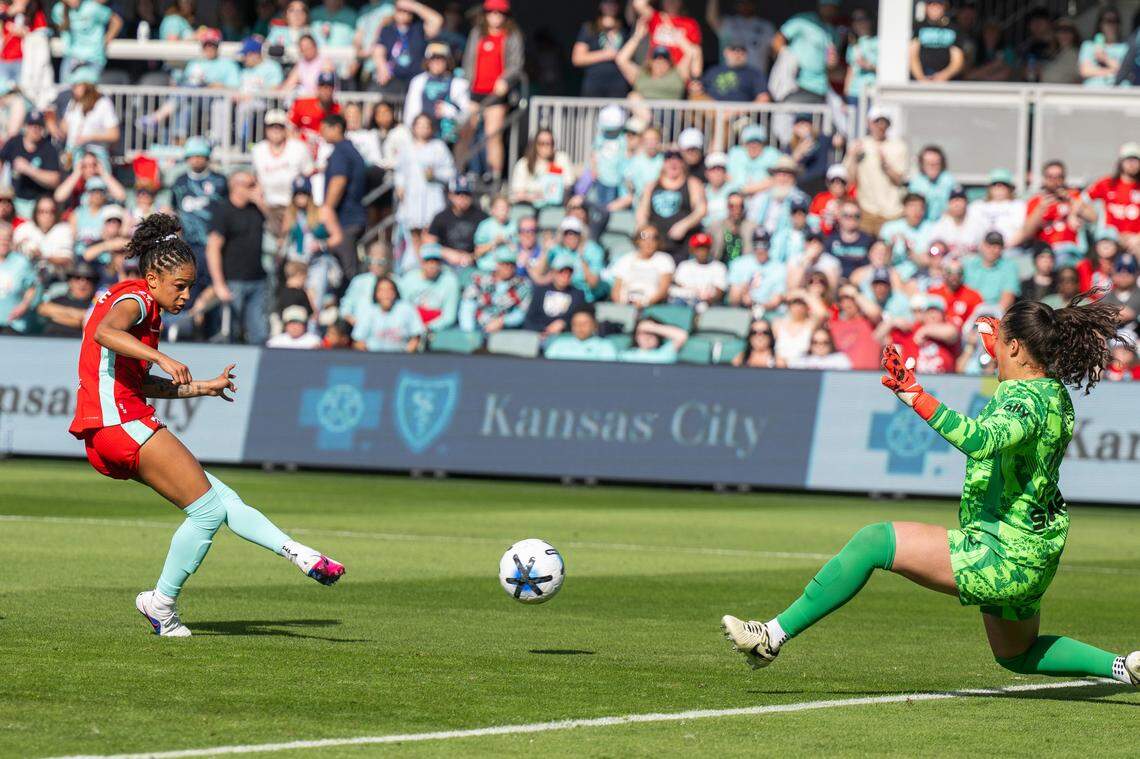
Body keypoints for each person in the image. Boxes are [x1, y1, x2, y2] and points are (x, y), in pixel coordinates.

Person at [721, 298, 1140, 692]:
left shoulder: (1024, 399)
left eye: (1000, 346)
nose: (993, 351)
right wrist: (1002, 346)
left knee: (874, 541)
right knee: (1017, 654)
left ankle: (770, 636)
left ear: (1015, 347)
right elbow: (1020, 377)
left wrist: (915, 397)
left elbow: (983, 440)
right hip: (1034, 551)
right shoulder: (1052, 393)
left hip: (1001, 552)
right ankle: (1125, 666)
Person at [67, 213, 344, 637]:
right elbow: (106, 332)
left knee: (220, 497)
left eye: (191, 285)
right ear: (154, 277)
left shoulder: (138, 303)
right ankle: (161, 603)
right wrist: (161, 356)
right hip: (119, 422)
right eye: (180, 285)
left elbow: (139, 381)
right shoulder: (137, 300)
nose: (186, 294)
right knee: (207, 511)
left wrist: (202, 387)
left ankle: (299, 553)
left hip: (114, 424)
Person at [463, 0, 525, 182]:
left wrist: (505, 80)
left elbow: (516, 64)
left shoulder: (512, 35)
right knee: (466, 131)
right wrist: (465, 85)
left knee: (493, 135)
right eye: (491, 12)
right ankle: (461, 171)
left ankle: (494, 175)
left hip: (497, 93)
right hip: (475, 90)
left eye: (500, 13)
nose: (495, 16)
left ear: (506, 16)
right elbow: (468, 61)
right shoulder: (477, 33)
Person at [206, 171, 270, 345]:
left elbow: (280, 230)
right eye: (250, 185)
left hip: (258, 280)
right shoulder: (223, 210)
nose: (255, 189)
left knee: (260, 334)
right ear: (236, 186)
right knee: (230, 334)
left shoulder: (257, 209)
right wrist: (219, 284)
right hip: (233, 281)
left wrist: (262, 203)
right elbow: (213, 248)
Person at [170, 138, 226, 291]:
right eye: (192, 156)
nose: (196, 160)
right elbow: (174, 212)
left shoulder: (220, 181)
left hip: (215, 245)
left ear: (207, 157)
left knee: (213, 289)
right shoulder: (179, 183)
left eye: (200, 156)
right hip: (190, 245)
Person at [844, 106, 907, 235]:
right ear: (869, 123)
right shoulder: (859, 145)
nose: (880, 126)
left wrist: (885, 165)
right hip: (866, 210)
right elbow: (849, 180)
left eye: (884, 122)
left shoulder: (899, 146)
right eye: (876, 122)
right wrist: (853, 157)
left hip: (892, 212)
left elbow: (899, 180)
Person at [394, 112, 456, 243]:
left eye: (426, 126)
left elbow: (450, 172)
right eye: (420, 125)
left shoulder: (438, 147)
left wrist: (435, 174)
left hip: (432, 194)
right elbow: (400, 171)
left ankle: (428, 261)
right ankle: (417, 261)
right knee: (413, 230)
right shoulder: (406, 148)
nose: (423, 129)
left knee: (430, 230)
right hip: (411, 194)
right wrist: (400, 186)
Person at [252, 109, 313, 239]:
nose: (275, 130)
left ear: (285, 128)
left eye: (279, 126)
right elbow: (257, 180)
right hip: (269, 207)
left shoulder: (298, 148)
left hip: (294, 207)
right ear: (266, 129)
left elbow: (309, 174)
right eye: (271, 127)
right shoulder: (258, 150)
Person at [320, 113, 368, 280]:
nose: (322, 133)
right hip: (353, 217)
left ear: (337, 128)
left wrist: (327, 208)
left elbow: (339, 181)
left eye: (325, 129)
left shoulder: (341, 151)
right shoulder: (351, 149)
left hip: (345, 219)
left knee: (346, 271)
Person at [637, 150, 706, 261]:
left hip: (682, 243)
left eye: (677, 160)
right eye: (669, 160)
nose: (673, 163)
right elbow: (642, 213)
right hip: (656, 243)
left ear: (682, 163)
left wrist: (684, 225)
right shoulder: (652, 185)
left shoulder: (692, 183)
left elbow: (701, 209)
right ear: (664, 164)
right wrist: (645, 234)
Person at [402, 42, 470, 146]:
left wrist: (450, 111)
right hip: (423, 138)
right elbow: (410, 112)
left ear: (447, 61)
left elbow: (466, 116)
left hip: (450, 138)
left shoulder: (458, 83)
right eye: (433, 59)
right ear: (427, 61)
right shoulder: (418, 81)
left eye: (441, 59)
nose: (437, 62)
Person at [770, 0, 838, 103]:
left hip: (820, 88)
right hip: (794, 85)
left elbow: (831, 66)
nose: (828, 9)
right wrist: (788, 59)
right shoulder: (802, 19)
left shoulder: (833, 33)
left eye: (832, 6)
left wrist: (832, 64)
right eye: (825, 5)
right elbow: (777, 40)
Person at [372, 0, 442, 95]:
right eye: (400, 10)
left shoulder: (418, 28)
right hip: (392, 79)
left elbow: (437, 21)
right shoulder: (387, 30)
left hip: (415, 81)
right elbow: (378, 50)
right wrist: (382, 67)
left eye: (407, 11)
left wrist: (413, 5)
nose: (404, 13)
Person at [531, 216, 606, 303]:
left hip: (584, 299)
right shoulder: (557, 249)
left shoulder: (592, 250)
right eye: (567, 233)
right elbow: (538, 273)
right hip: (559, 296)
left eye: (574, 233)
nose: (571, 237)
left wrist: (582, 259)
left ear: (581, 235)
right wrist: (545, 251)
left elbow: (593, 283)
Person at [0, 110, 60, 218]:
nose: (35, 129)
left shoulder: (49, 148)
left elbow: (54, 180)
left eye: (39, 126)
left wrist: (29, 169)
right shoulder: (14, 142)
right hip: (13, 199)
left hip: (37, 203)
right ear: (25, 126)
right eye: (31, 125)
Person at [55, 69, 119, 167]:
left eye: (77, 85)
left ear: (87, 86)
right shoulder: (73, 102)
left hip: (96, 160)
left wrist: (89, 137)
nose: (73, 88)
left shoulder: (103, 103)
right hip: (74, 157)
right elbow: (64, 128)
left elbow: (114, 134)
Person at [459, 248, 532, 334]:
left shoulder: (523, 285)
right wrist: (469, 333)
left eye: (511, 265)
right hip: (477, 328)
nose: (508, 268)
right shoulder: (480, 279)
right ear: (497, 264)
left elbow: (521, 313)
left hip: (505, 331)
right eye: (504, 264)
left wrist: (502, 321)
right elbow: (468, 305)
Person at [615, 24, 693, 102]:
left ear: (670, 62)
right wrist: (637, 37)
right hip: (644, 111)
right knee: (633, 96)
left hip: (669, 112)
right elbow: (621, 59)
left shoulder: (677, 74)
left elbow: (690, 53)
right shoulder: (641, 74)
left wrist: (674, 34)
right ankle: (648, 115)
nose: (660, 62)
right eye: (656, 58)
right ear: (650, 62)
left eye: (664, 59)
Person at [51, 0, 122, 83]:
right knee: (66, 92)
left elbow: (117, 21)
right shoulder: (58, 9)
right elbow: (59, 27)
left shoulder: (92, 7)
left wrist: (106, 40)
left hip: (93, 58)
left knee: (87, 94)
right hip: (71, 58)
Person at [1085, 142, 1140, 246]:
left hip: (1136, 240)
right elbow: (1082, 201)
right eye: (1128, 160)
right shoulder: (1107, 183)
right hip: (1110, 238)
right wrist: (1074, 216)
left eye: (1136, 160)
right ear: (1121, 162)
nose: (1132, 164)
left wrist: (1137, 237)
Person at [572, 0, 630, 98]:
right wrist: (606, 54)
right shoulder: (589, 28)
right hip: (594, 84)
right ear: (600, 5)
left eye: (613, 3)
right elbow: (577, 59)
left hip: (618, 84)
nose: (610, 6)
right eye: (607, 2)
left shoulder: (625, 29)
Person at [426, 175, 486, 268]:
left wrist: (472, 256)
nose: (462, 197)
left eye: (466, 193)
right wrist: (446, 253)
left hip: (475, 264)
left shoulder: (482, 217)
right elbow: (429, 241)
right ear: (451, 195)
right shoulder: (441, 217)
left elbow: (489, 242)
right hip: (445, 265)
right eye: (458, 193)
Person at [398, 242, 460, 332]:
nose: (432, 265)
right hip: (412, 326)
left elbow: (449, 316)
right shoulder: (408, 279)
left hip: (438, 329)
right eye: (428, 261)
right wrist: (415, 327)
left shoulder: (450, 280)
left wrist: (428, 327)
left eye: (436, 261)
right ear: (422, 262)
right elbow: (403, 309)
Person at [351, 275, 424, 352]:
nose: (386, 294)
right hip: (373, 357)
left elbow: (416, 336)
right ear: (376, 294)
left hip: (401, 357)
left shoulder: (406, 309)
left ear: (395, 292)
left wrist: (407, 353)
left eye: (389, 290)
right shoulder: (368, 311)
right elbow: (357, 340)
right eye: (382, 290)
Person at [522, 252, 586, 336]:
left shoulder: (578, 295)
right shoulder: (540, 291)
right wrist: (543, 331)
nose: (565, 275)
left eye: (569, 272)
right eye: (561, 271)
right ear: (553, 272)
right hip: (539, 335)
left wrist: (564, 323)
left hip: (565, 336)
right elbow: (530, 319)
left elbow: (581, 319)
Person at [610, 225, 675, 307]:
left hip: (651, 307)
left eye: (654, 237)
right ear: (637, 240)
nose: (649, 241)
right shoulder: (625, 259)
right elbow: (616, 288)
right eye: (644, 236)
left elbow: (663, 289)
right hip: (625, 304)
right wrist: (622, 307)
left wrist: (645, 303)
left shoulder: (664, 259)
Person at [510, 129, 575, 208]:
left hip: (555, 206)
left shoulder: (561, 158)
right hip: (529, 205)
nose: (546, 147)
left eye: (549, 143)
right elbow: (518, 192)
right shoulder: (523, 163)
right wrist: (535, 197)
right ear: (535, 145)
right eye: (542, 143)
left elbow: (568, 184)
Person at [706, 0, 774, 74]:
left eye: (748, 2)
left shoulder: (766, 27)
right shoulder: (729, 23)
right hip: (731, 78)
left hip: (757, 78)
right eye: (742, 2)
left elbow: (774, 51)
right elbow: (711, 18)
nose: (745, 4)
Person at [727, 228, 786, 313]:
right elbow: (733, 297)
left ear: (769, 245)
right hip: (741, 309)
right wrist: (743, 293)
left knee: (760, 326)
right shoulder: (739, 263)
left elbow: (776, 300)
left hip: (766, 312)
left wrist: (756, 305)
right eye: (757, 244)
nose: (760, 248)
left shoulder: (779, 268)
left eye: (764, 244)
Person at [695, 35, 768, 103]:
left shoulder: (754, 73)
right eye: (733, 49)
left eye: (742, 49)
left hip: (742, 114)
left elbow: (764, 97)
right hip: (713, 112)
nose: (738, 53)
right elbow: (698, 90)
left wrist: (739, 111)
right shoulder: (712, 71)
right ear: (725, 52)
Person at [966, 169, 1027, 250]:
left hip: (1009, 250)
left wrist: (1003, 247)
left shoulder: (1018, 205)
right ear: (989, 188)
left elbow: (1023, 230)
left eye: (1003, 184)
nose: (999, 187)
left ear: (1010, 188)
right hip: (979, 250)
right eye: (995, 184)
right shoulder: (976, 206)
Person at [36, 260, 98, 338]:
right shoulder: (59, 299)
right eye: (77, 278)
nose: (83, 283)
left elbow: (87, 320)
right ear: (70, 281)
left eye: (88, 279)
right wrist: (76, 315)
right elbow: (42, 309)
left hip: (78, 344)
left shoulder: (96, 303)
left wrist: (55, 317)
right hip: (49, 341)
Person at [964, 231, 1020, 310]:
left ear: (1002, 249)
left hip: (994, 312)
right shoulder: (969, 263)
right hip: (967, 310)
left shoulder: (1009, 266)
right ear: (982, 245)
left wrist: (992, 318)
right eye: (989, 245)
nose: (992, 249)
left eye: (997, 246)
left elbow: (1008, 297)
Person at [910, 0, 964, 82]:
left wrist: (943, 76)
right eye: (931, 4)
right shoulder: (917, 27)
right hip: (921, 80)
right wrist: (921, 78)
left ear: (945, 7)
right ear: (926, 6)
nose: (934, 8)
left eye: (938, 5)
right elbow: (912, 55)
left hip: (946, 82)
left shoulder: (953, 28)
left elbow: (957, 59)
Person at [671, 231, 727, 307]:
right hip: (685, 304)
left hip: (708, 306)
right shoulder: (684, 266)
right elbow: (678, 285)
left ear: (709, 249)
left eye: (705, 248)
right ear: (692, 250)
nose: (702, 251)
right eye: (698, 248)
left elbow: (719, 292)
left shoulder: (718, 267)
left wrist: (705, 300)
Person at [823, 200, 876, 277]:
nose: (852, 219)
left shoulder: (869, 241)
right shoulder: (830, 241)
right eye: (847, 215)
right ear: (839, 217)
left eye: (856, 216)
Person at [930, 255, 984, 331]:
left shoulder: (973, 296)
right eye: (950, 272)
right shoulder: (933, 294)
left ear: (962, 274)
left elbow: (980, 323)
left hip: (964, 336)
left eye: (958, 272)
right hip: (937, 334)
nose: (954, 276)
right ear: (943, 274)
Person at [543, 306, 618, 361]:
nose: (580, 327)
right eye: (576, 323)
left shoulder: (605, 346)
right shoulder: (559, 344)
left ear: (595, 325)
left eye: (585, 323)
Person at [1078, 7, 1127, 87]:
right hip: (1093, 91)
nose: (1111, 25)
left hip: (1118, 92)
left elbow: (1126, 71)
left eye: (1115, 21)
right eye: (1108, 21)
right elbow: (1085, 71)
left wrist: (1105, 58)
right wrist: (1112, 70)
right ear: (1100, 24)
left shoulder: (1125, 47)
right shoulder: (1088, 46)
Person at [0, 221, 34, 333]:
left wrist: (24, 306)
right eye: (0, 237)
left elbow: (32, 287)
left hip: (13, 324)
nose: (4, 242)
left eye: (7, 238)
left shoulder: (21, 262)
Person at [907, 146, 955, 224]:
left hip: (945, 224)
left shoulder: (949, 180)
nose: (932, 167)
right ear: (922, 165)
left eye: (936, 163)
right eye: (928, 163)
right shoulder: (916, 182)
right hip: (923, 225)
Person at [709, 191, 753, 266]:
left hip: (742, 269)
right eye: (732, 206)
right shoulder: (715, 227)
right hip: (720, 269)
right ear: (727, 207)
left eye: (740, 206)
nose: (736, 209)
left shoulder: (752, 227)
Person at [843, 9, 877, 105]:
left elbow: (888, 70)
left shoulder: (878, 42)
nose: (859, 23)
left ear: (870, 21)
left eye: (862, 19)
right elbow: (850, 71)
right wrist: (845, 95)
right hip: (853, 94)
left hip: (871, 92)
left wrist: (869, 66)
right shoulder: (853, 45)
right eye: (855, 20)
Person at [809, 164, 853, 236]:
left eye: (842, 181)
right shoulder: (820, 199)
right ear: (828, 183)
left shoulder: (851, 199)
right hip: (823, 237)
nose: (838, 184)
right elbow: (811, 221)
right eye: (833, 181)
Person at [618, 319, 688, 363]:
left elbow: (681, 336)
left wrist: (652, 327)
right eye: (644, 333)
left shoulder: (664, 353)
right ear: (636, 337)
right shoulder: (627, 355)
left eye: (652, 334)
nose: (647, 337)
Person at [785, 326, 851, 369]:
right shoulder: (802, 359)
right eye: (815, 342)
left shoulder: (840, 359)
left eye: (825, 342)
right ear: (811, 344)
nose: (820, 346)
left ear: (831, 343)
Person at [1104, 252, 1140, 327]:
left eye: (1130, 269)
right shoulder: (1107, 297)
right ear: (1112, 271)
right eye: (1119, 269)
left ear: (1137, 273)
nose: (1124, 274)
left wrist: (1105, 314)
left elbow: (1127, 314)